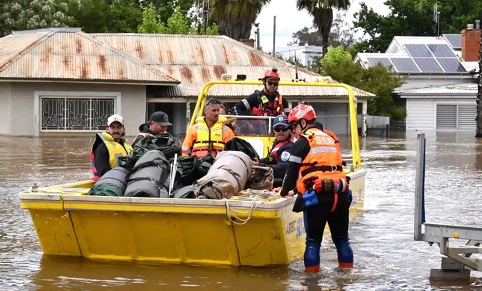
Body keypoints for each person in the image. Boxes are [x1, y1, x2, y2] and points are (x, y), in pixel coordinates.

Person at [280, 103, 353, 272]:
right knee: (342, 240)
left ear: (303, 123)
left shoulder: (303, 142)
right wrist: (297, 189)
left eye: (294, 126)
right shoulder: (331, 138)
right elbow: (325, 167)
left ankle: (311, 282)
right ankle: (347, 277)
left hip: (319, 195)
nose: (293, 131)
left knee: (313, 242)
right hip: (340, 192)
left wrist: (284, 192)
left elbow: (291, 172)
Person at [253, 114, 294, 187]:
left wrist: (260, 166)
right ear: (273, 130)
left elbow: (283, 169)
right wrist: (259, 161)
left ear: (289, 130)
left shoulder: (289, 147)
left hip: (283, 182)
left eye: (284, 129)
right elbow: (271, 159)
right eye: (277, 129)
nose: (280, 131)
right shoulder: (277, 143)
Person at [90, 114, 133, 181]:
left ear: (123, 130)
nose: (116, 130)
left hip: (127, 180)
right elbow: (103, 171)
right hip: (110, 183)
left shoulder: (127, 146)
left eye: (118, 127)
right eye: (113, 127)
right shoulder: (102, 147)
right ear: (107, 129)